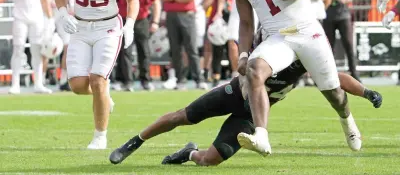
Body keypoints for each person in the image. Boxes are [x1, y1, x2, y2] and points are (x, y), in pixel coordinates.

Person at [109, 28, 382, 166]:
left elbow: (336, 78)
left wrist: (367, 93)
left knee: (209, 161)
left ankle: (188, 153)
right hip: (233, 94)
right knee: (183, 116)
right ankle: (135, 142)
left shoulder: (304, 56)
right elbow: (243, 56)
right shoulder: (269, 42)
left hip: (254, 114)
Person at [226, 0, 360, 156]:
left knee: (334, 94)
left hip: (308, 32)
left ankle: (347, 119)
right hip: (278, 36)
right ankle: (261, 136)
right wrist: (244, 54)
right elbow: (246, 22)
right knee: (256, 70)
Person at [54, 0, 140, 150]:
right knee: (78, 85)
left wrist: (130, 23)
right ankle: (104, 97)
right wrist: (63, 14)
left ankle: (100, 136)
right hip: (80, 27)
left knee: (98, 80)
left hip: (108, 27)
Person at [3, 0, 53, 94]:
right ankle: (15, 84)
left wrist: (49, 17)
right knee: (18, 49)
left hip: (36, 14)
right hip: (19, 15)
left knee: (36, 49)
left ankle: (38, 83)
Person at [38, 0, 72, 92]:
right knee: (45, 45)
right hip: (47, 11)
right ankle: (41, 79)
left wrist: (71, 7)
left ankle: (64, 79)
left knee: (69, 45)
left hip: (63, 10)